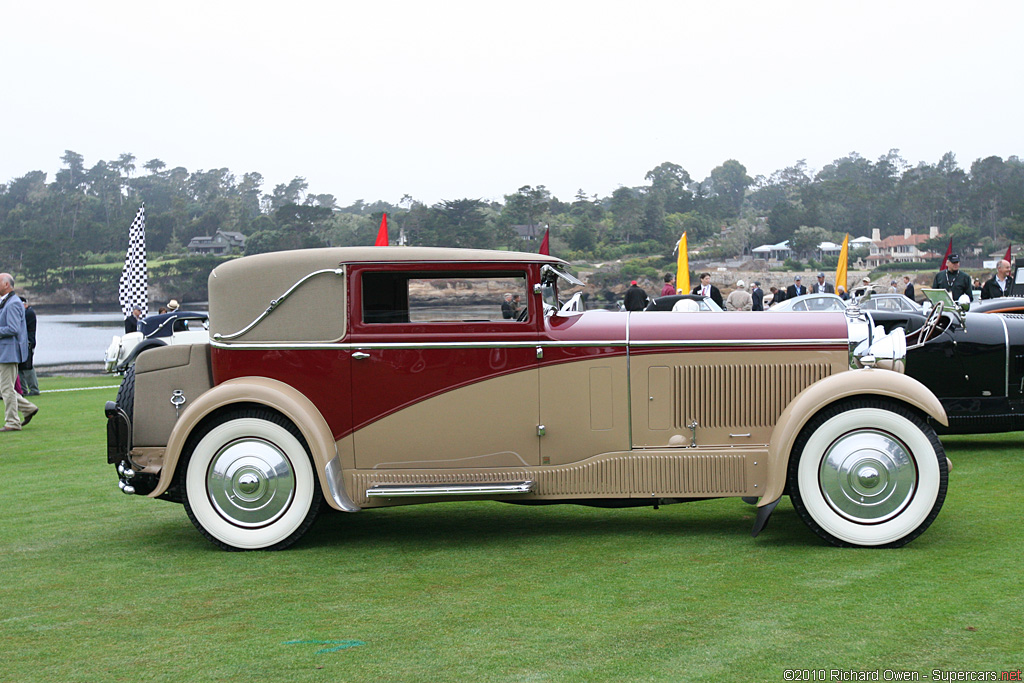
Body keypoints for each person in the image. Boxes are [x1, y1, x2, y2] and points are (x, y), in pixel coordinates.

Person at [0, 273, 38, 431]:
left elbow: (13, 328)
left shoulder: (13, 303)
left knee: (7, 389)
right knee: (4, 388)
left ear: (6, 285)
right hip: (4, 351)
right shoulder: (7, 302)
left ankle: (12, 422)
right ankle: (28, 408)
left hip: (8, 352)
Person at [18, 296, 39, 396]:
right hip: (21, 343)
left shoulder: (28, 313)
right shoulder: (26, 313)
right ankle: (23, 390)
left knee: (27, 367)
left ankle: (34, 389)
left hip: (27, 343)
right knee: (19, 367)